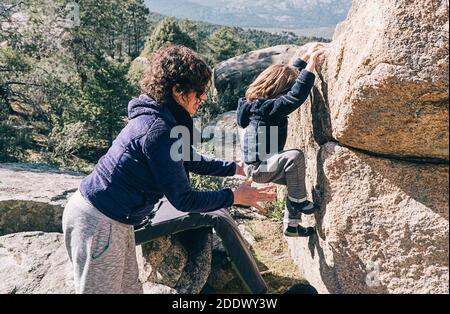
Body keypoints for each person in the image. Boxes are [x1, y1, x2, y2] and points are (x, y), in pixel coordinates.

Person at [62, 44, 276, 294]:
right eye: (198, 91)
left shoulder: (162, 118)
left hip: (114, 219)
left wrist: (235, 168)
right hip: (100, 221)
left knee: (129, 289)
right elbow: (183, 199)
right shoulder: (159, 129)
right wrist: (234, 197)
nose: (203, 97)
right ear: (177, 90)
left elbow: (190, 160)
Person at [236, 43, 325, 238]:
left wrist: (303, 59)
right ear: (279, 90)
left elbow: (285, 78)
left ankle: (292, 226)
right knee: (294, 157)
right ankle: (299, 201)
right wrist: (311, 67)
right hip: (260, 167)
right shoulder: (267, 108)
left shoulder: (253, 104)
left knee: (295, 181)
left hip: (258, 166)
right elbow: (295, 97)